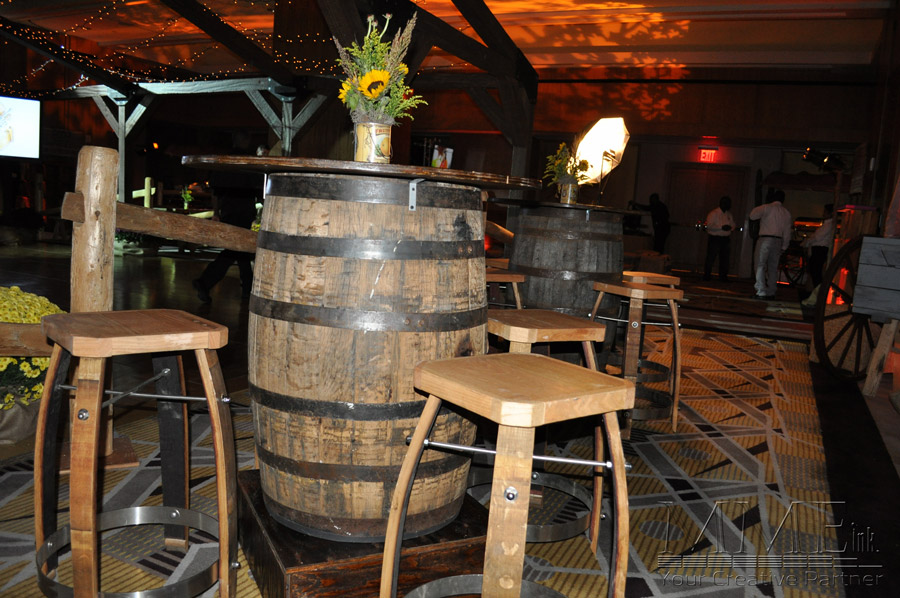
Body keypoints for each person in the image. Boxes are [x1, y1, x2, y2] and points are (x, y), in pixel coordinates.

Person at [192, 135, 262, 303]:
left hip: (229, 211)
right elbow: (257, 188)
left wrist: (217, 212)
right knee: (236, 250)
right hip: (242, 211)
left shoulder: (226, 163)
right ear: (239, 141)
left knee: (238, 250)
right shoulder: (246, 162)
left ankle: (246, 289)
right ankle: (206, 282)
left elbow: (216, 192)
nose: (247, 141)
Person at [748, 188, 792, 300]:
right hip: (778, 240)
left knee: (760, 264)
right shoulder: (786, 213)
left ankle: (761, 291)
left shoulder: (766, 207)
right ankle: (771, 291)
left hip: (765, 238)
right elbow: (787, 232)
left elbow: (752, 215)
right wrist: (784, 246)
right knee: (773, 267)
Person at [703, 195, 736, 281]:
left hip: (725, 239)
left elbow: (733, 224)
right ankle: (707, 275)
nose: (729, 205)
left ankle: (723, 277)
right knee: (711, 257)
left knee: (725, 259)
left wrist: (730, 228)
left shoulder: (729, 214)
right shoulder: (713, 213)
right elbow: (709, 226)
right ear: (722, 203)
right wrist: (721, 227)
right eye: (727, 203)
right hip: (715, 238)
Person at [803, 203, 834, 288]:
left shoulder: (828, 225)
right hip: (818, 249)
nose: (823, 214)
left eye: (825, 212)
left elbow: (817, 237)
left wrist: (807, 242)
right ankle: (816, 289)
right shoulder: (827, 225)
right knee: (815, 271)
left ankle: (817, 290)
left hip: (820, 249)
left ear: (830, 213)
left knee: (816, 271)